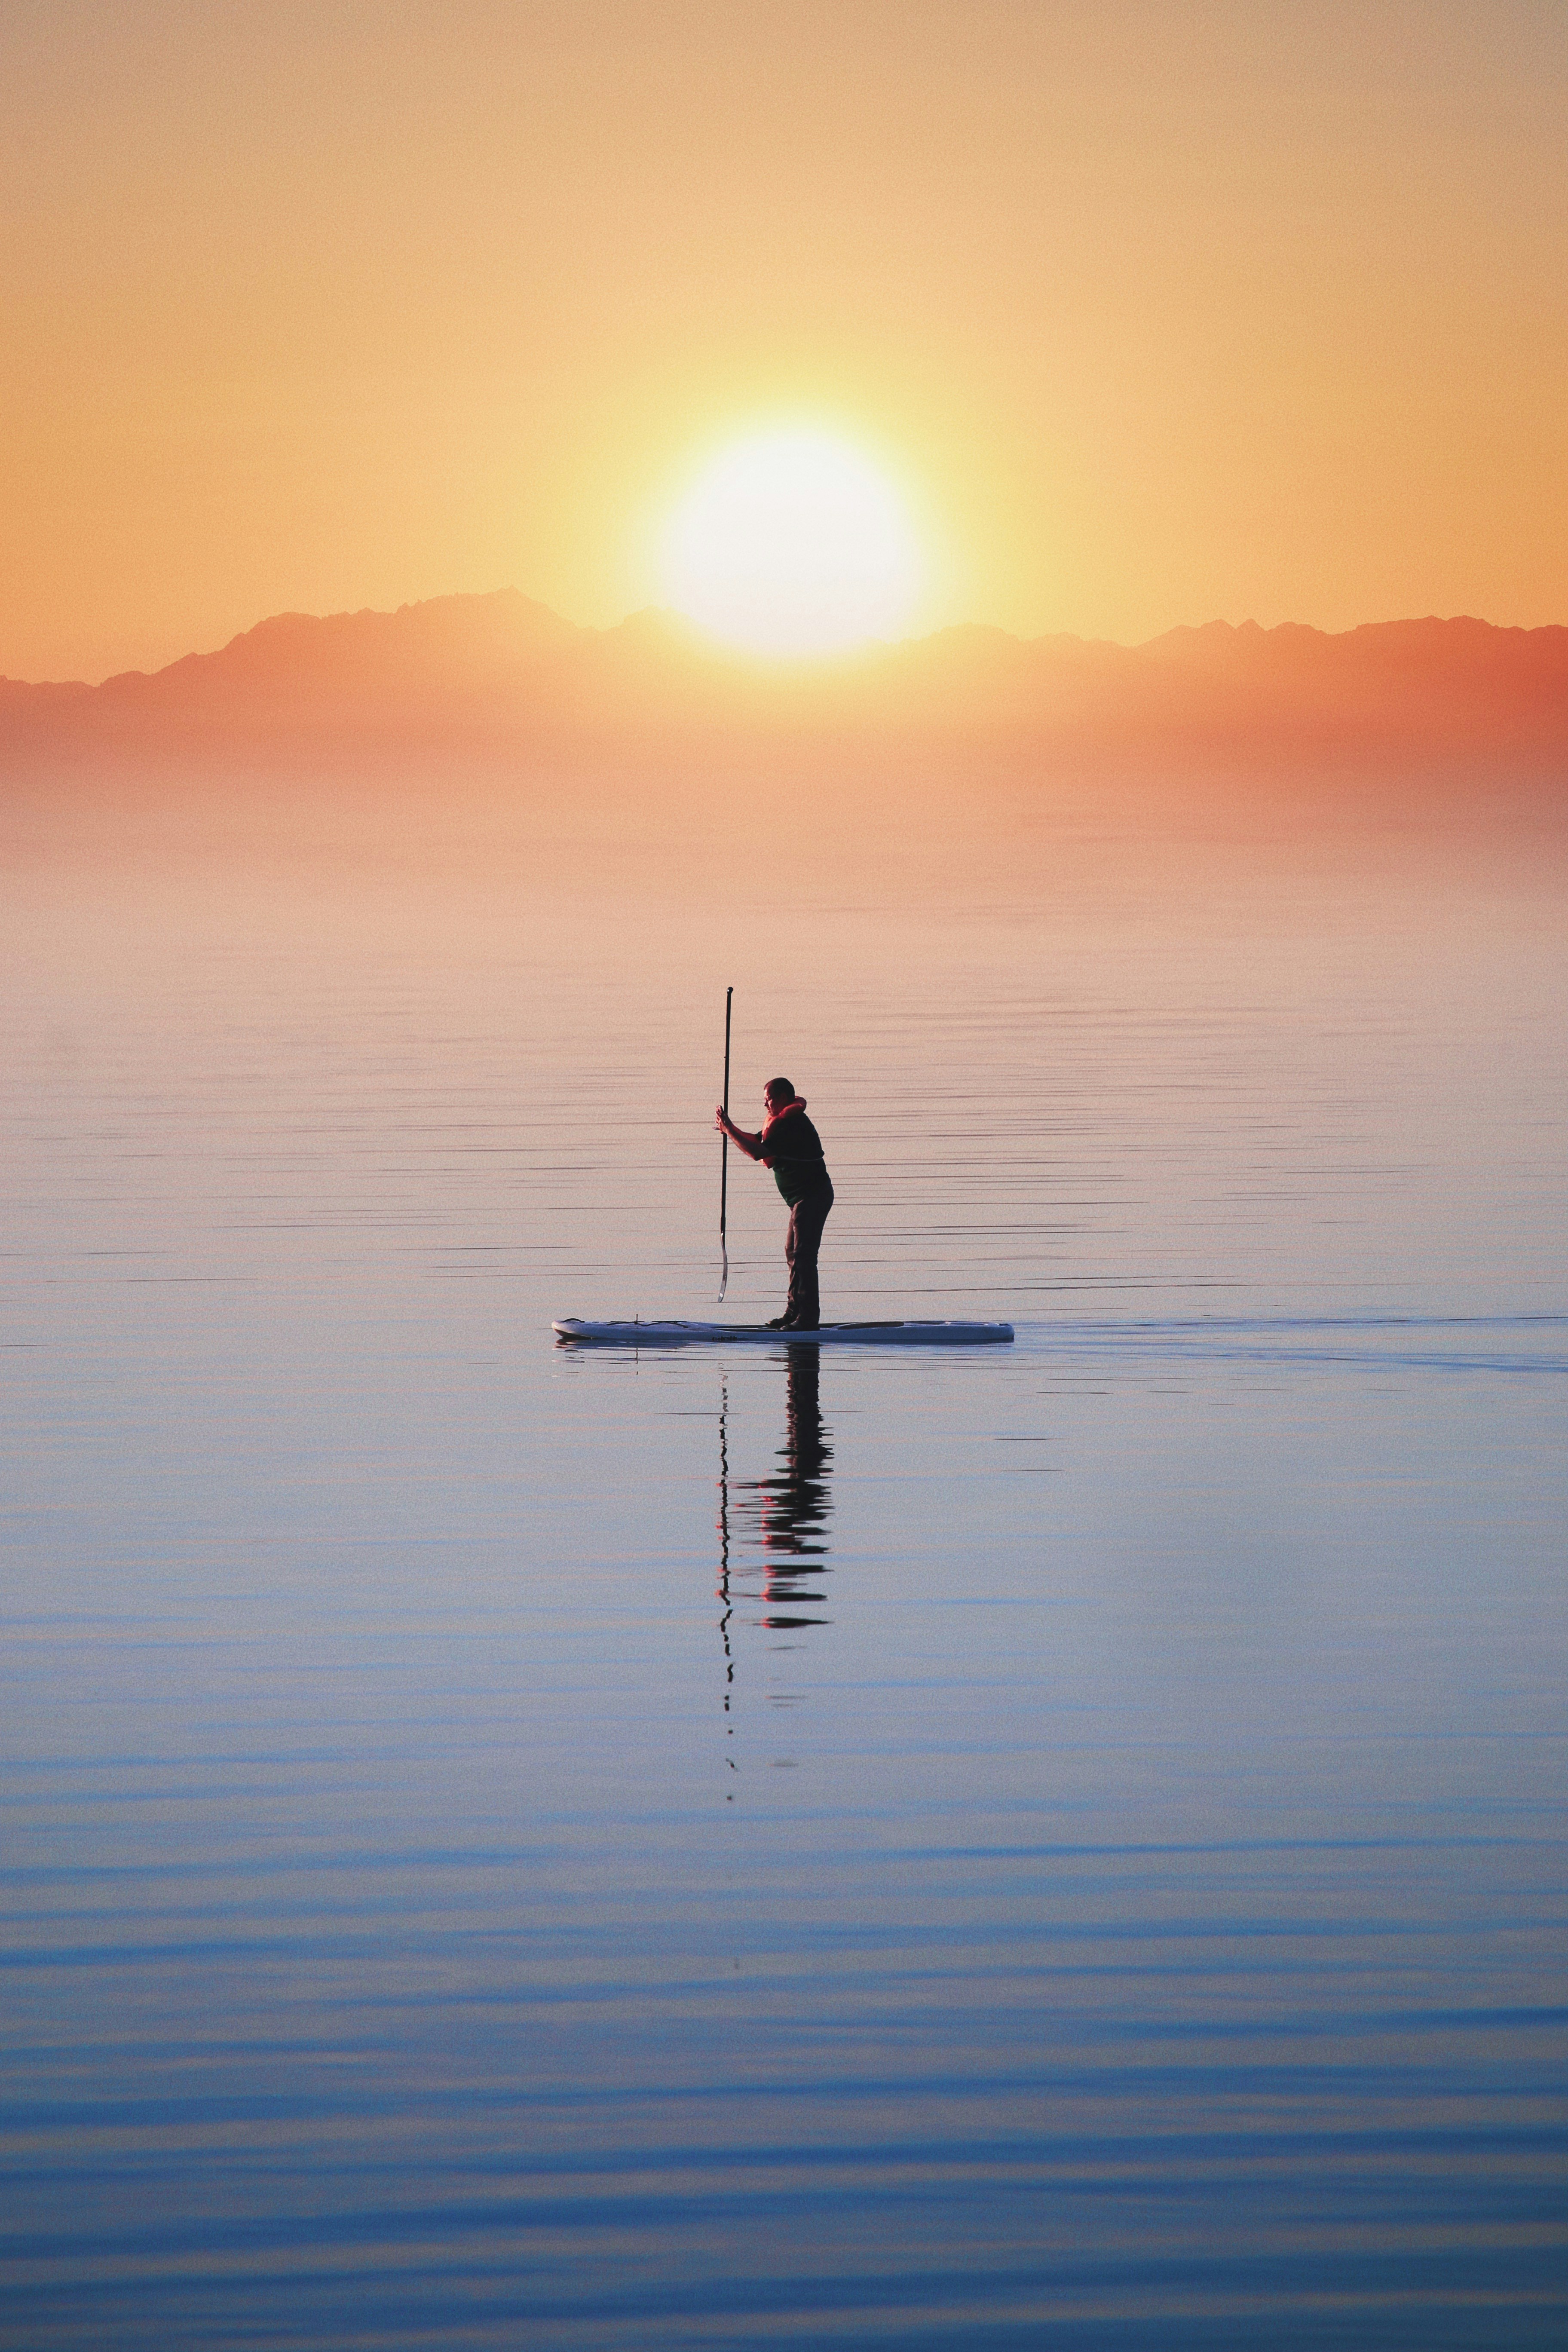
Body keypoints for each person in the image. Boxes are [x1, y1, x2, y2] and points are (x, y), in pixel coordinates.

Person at [715, 1078, 833, 1329]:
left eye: (768, 1098)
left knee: (803, 1256)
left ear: (782, 1098)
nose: (765, 1103)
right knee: (793, 1253)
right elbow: (758, 1142)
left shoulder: (790, 1123)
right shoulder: (781, 1123)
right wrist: (730, 1129)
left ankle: (808, 1320)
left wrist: (730, 1130)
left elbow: (758, 1152)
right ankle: (794, 1313)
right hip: (801, 1200)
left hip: (812, 1196)